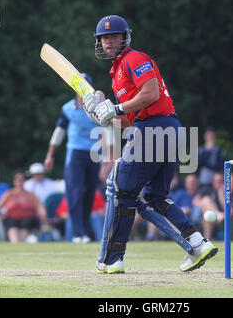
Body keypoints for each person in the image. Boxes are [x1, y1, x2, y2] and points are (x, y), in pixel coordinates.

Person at [82, 15, 217, 273]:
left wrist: (116, 106)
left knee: (119, 187)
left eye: (114, 36)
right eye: (104, 38)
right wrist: (101, 115)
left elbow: (151, 94)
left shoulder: (134, 58)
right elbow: (129, 120)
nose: (108, 41)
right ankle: (198, 242)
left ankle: (112, 258)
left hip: (156, 128)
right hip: (166, 130)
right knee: (155, 196)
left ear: (125, 38)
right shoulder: (116, 73)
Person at [44, 75, 101, 243]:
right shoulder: (68, 108)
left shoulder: (98, 108)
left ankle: (84, 230)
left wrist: (108, 158)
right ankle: (78, 233)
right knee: (75, 191)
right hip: (75, 153)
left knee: (89, 192)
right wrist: (50, 155)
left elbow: (107, 132)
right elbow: (59, 132)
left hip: (94, 154)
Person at [0, 171, 47, 243]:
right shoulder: (9, 194)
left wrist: (43, 214)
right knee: (12, 224)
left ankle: (19, 242)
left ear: (25, 181)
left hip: (28, 219)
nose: (20, 182)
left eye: (22, 180)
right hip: (12, 218)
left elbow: (40, 207)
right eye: (18, 180)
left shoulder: (31, 195)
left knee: (27, 222)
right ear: (14, 181)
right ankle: (15, 242)